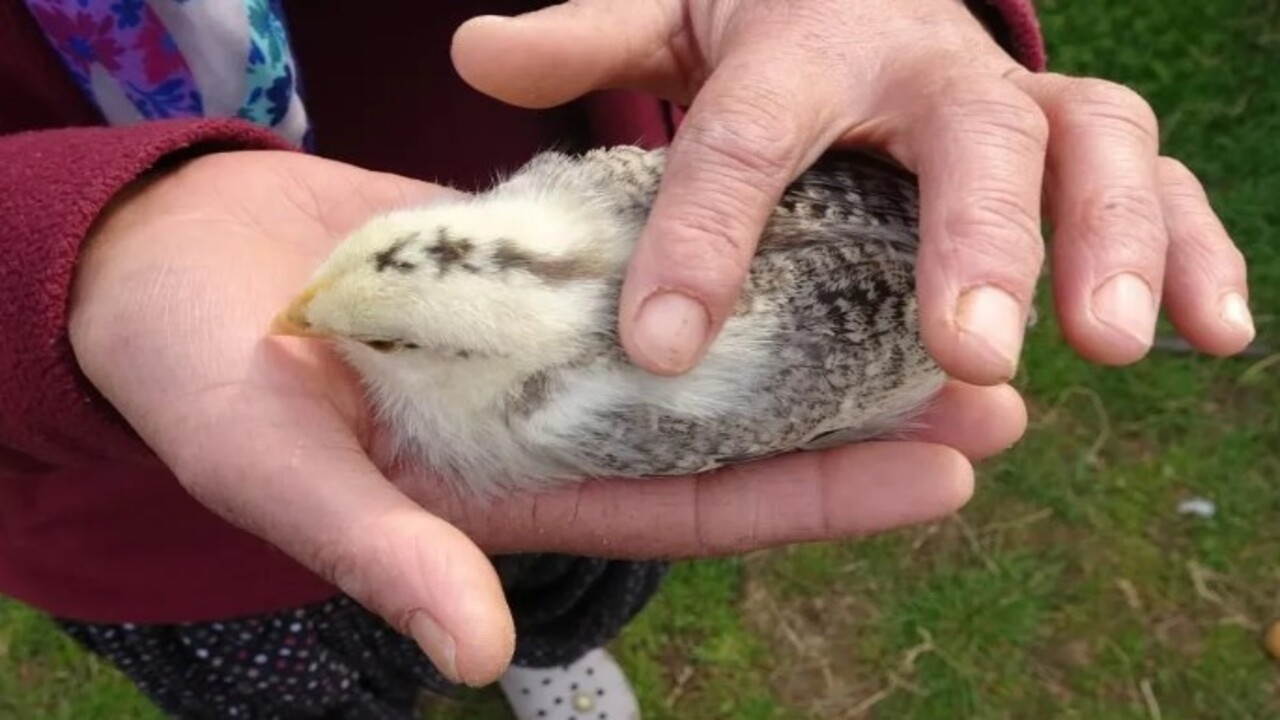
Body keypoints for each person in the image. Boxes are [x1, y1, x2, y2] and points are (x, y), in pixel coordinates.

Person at [0, 1, 1253, 718]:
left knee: (561, 572)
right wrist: (63, 262)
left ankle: (549, 653)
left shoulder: (609, 381)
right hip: (127, 524)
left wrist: (887, 42)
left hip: (558, 442)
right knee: (296, 689)